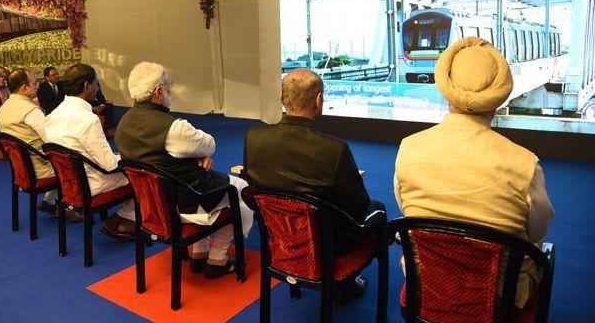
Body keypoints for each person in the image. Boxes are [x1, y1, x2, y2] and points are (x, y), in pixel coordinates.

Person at [394, 36, 555, 308]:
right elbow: (538, 230)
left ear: (446, 89)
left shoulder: (408, 148)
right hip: (499, 299)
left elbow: (406, 207)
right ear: (499, 95)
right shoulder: (525, 164)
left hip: (429, 283)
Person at [243, 67, 384, 301]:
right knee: (378, 209)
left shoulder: (254, 138)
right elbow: (359, 208)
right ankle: (345, 282)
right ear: (318, 101)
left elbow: (254, 185)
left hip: (282, 238)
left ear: (282, 99)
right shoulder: (333, 149)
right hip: (329, 242)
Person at [115, 61, 253, 279]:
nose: (171, 89)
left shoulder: (123, 123)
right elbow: (209, 144)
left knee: (193, 181)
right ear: (159, 92)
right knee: (242, 189)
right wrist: (200, 153)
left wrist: (195, 155)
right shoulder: (173, 128)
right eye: (169, 84)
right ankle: (218, 258)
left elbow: (164, 155)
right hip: (184, 204)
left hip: (153, 206)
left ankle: (199, 252)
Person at [44, 64, 135, 239]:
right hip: (93, 184)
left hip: (69, 185)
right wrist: (127, 158)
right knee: (142, 174)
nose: (98, 88)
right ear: (87, 86)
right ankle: (126, 220)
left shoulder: (52, 116)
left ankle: (118, 219)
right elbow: (109, 165)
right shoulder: (89, 119)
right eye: (97, 84)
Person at [0, 68, 80, 221]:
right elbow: (53, 142)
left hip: (22, 170)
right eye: (34, 83)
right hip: (41, 169)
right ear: (24, 88)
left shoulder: (2, 110)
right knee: (76, 161)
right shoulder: (31, 111)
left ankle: (49, 202)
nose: (38, 86)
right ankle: (70, 206)